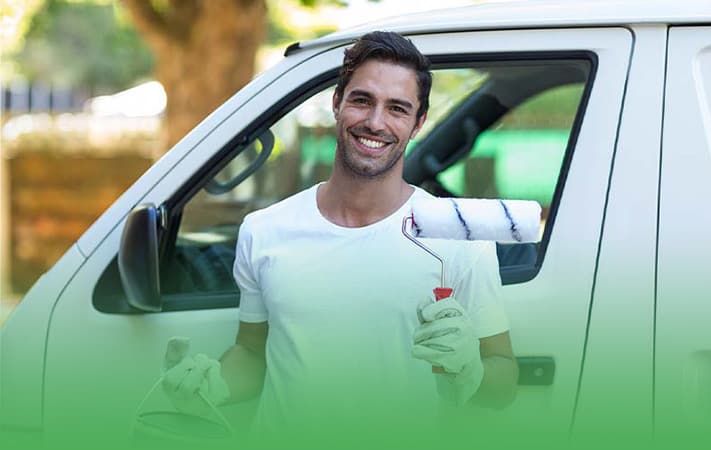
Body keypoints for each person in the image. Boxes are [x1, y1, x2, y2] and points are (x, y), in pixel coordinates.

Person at [162, 30, 518, 441]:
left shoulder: (457, 234)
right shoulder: (265, 230)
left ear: (418, 122)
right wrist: (211, 386)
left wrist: (472, 370)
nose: (375, 122)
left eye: (397, 108)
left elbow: (503, 380)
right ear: (336, 102)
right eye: (362, 100)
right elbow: (251, 353)